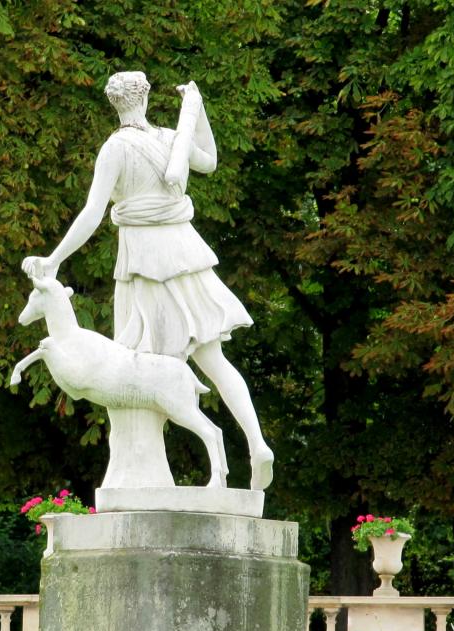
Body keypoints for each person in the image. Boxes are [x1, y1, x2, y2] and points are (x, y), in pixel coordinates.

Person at [22, 71, 273, 490]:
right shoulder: (170, 138)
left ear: (113, 104)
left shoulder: (115, 149)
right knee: (213, 361)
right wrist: (196, 111)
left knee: (133, 366)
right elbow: (209, 161)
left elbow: (92, 213)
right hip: (186, 254)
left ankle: (139, 471)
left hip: (143, 262)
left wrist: (54, 258)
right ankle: (256, 442)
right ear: (146, 97)